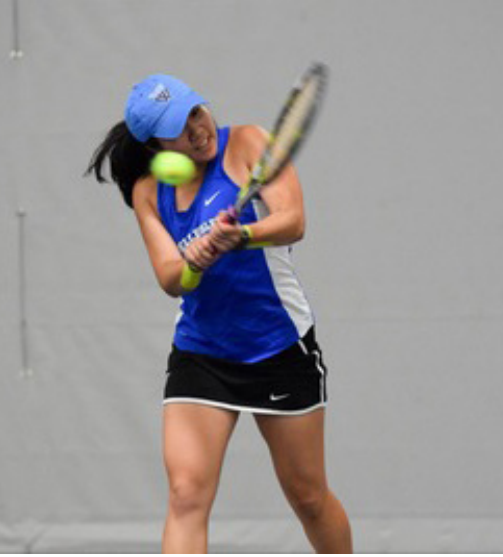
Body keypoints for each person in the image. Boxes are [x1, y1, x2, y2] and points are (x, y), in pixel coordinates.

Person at [86, 74, 352, 553]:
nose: (197, 127)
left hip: (277, 345)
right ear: (154, 145)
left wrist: (242, 236)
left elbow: (293, 220)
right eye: (178, 125)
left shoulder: (249, 142)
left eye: (195, 110)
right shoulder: (150, 192)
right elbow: (170, 277)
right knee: (186, 494)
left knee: (308, 497)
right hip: (202, 353)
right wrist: (195, 263)